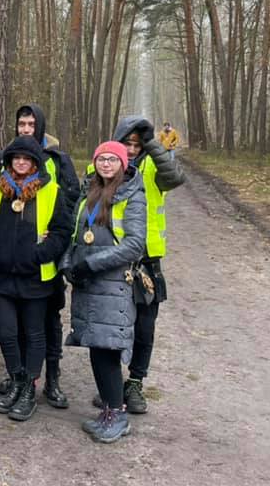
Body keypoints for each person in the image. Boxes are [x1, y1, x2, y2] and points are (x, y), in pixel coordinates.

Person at [0, 103, 78, 407]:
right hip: (3, 275)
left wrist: (39, 254)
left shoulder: (52, 187)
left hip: (38, 276)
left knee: (38, 332)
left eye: (28, 158)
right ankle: (15, 379)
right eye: (17, 157)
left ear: (37, 161)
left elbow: (63, 231)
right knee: (8, 333)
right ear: (9, 160)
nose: (22, 162)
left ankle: (32, 387)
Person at [60, 141, 146, 443]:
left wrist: (92, 264)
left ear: (122, 164)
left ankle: (118, 415)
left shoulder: (133, 196)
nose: (106, 164)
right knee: (96, 349)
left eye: (112, 159)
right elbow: (75, 234)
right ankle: (109, 411)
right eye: (101, 159)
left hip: (112, 286)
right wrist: (69, 263)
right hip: (88, 286)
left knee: (108, 351)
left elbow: (135, 244)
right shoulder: (90, 193)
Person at [113, 115, 186, 413]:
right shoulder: (103, 165)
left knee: (144, 328)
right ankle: (112, 384)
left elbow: (176, 177)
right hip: (114, 261)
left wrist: (153, 143)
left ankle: (135, 384)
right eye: (126, 143)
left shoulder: (155, 167)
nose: (131, 150)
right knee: (114, 327)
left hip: (147, 261)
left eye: (136, 144)